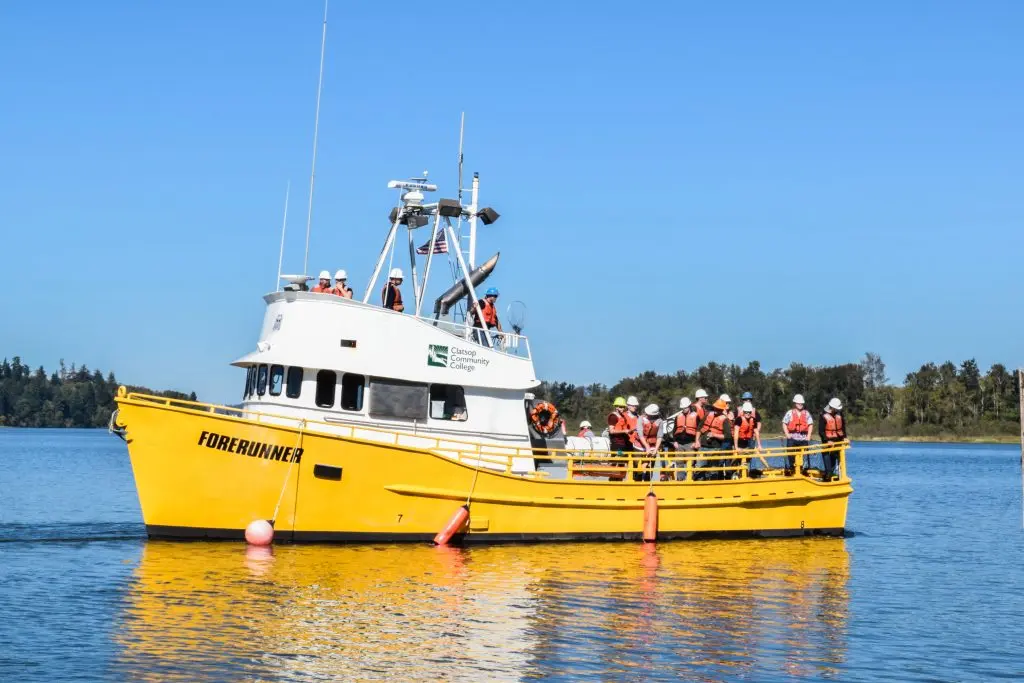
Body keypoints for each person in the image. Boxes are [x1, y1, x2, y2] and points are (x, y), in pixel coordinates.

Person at [697, 399, 732, 479]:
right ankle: (699, 486)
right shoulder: (708, 414)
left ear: (722, 409)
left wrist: (714, 435)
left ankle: (713, 488)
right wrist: (697, 441)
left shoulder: (725, 420)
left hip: (715, 448)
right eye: (715, 408)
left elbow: (727, 436)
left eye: (718, 409)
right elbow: (699, 428)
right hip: (703, 447)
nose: (716, 410)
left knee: (713, 470)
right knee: (699, 468)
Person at [782, 394, 813, 475]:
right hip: (792, 438)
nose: (800, 405)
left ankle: (802, 470)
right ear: (795, 403)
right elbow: (784, 423)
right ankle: (792, 469)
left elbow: (810, 424)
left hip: (803, 439)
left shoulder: (806, 413)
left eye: (801, 403)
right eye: (799, 403)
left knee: (803, 456)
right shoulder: (790, 413)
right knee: (791, 455)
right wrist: (787, 434)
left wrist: (809, 436)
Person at [819, 397, 847, 479]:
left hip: (838, 439)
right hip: (827, 439)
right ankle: (828, 473)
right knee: (826, 454)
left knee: (836, 456)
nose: (838, 410)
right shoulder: (823, 415)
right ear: (832, 407)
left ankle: (835, 473)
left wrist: (845, 437)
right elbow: (821, 431)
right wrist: (827, 440)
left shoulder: (839, 414)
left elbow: (843, 426)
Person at [634, 404, 663, 481]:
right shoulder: (641, 419)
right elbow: (640, 434)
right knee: (637, 466)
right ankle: (637, 481)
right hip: (639, 445)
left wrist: (656, 449)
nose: (647, 415)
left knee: (650, 467)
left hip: (653, 445)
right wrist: (647, 447)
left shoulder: (660, 421)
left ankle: (647, 480)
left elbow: (659, 436)